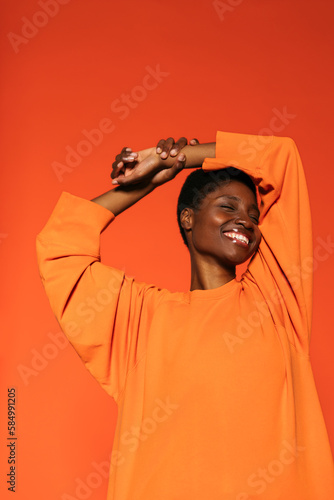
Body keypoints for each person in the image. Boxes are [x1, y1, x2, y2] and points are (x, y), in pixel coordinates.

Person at [36, 131, 334, 500]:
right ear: (188, 218)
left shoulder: (275, 301)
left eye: (253, 216)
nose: (246, 221)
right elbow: (61, 249)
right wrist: (141, 184)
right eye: (228, 207)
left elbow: (281, 157)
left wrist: (179, 158)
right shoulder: (141, 320)